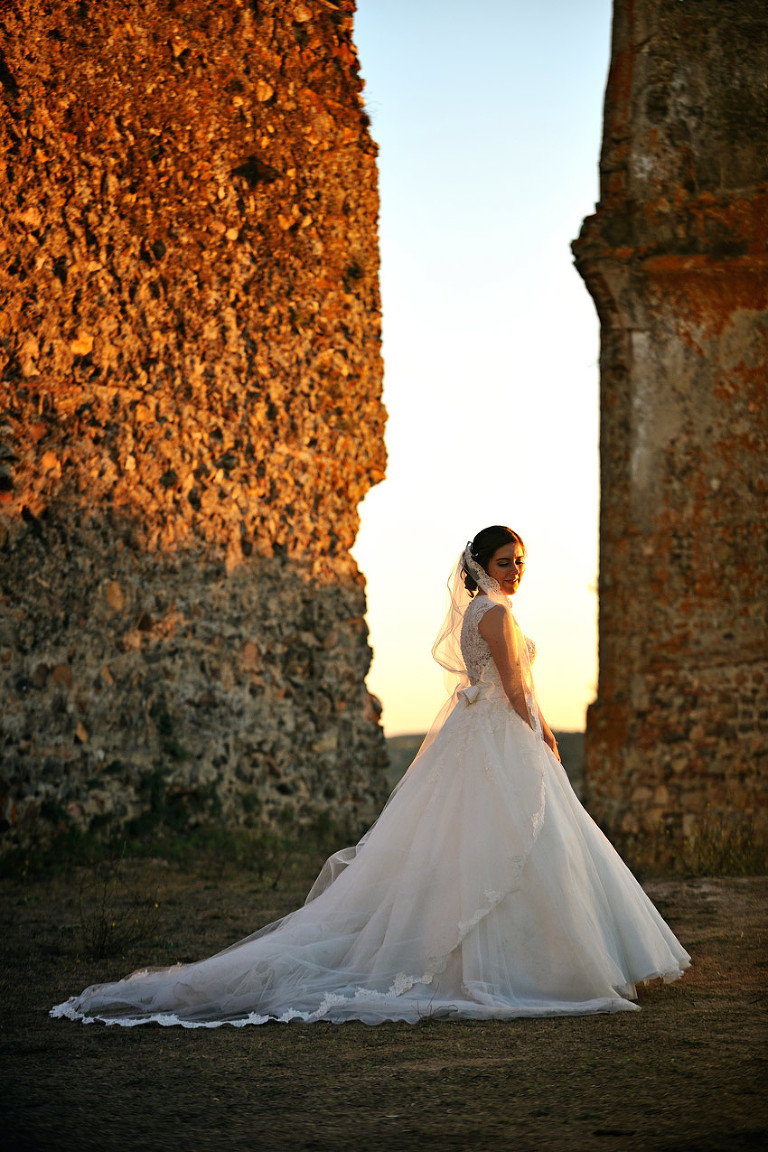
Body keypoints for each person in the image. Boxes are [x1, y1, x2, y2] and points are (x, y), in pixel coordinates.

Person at [51, 525, 689, 1027]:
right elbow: (517, 687)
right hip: (500, 735)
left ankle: (554, 958)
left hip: (479, 735)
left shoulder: (479, 614)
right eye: (504, 562)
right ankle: (558, 965)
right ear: (480, 568)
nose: (515, 571)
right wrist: (543, 734)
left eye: (520, 561)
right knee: (523, 841)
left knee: (491, 847)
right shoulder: (495, 616)